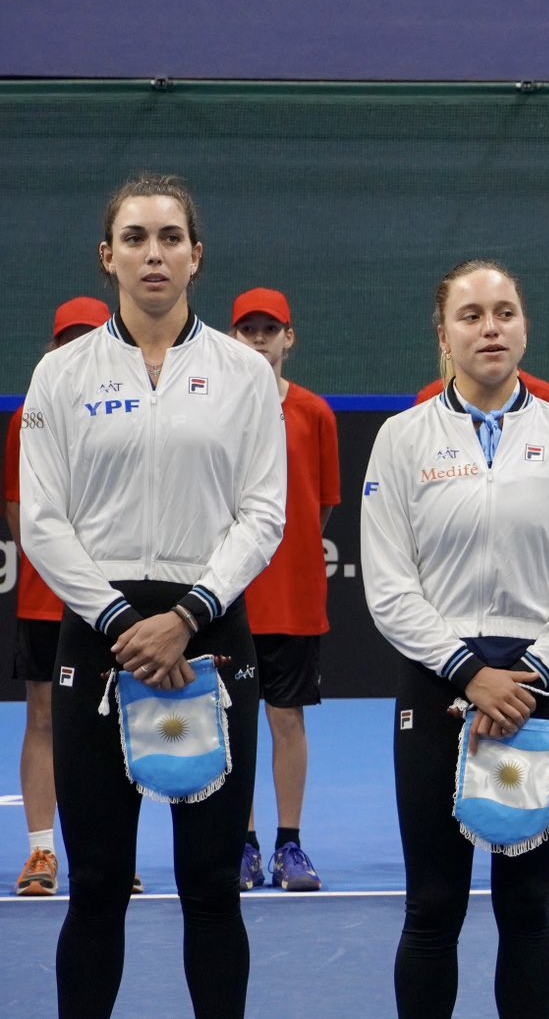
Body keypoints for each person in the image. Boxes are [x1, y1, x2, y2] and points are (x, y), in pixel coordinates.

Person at [19, 173, 286, 1017]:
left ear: (196, 256)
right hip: (100, 643)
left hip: (209, 639)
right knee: (97, 880)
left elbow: (265, 512)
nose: (154, 253)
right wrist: (127, 622)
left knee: (212, 882)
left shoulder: (244, 373)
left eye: (170, 237)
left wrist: (187, 617)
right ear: (108, 258)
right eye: (135, 238)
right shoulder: (60, 374)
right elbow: (44, 519)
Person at [361, 259, 549, 1018]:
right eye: (471, 315)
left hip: (541, 690)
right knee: (434, 905)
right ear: (442, 333)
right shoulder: (401, 440)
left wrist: (530, 675)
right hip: (439, 690)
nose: (491, 328)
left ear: (525, 327)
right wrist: (471, 673)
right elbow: (388, 585)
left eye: (504, 312)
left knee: (527, 906)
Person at [228, 288, 339, 893]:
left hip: (294, 599)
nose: (261, 339)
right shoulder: (217, 409)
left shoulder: (315, 414)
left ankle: (288, 846)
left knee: (286, 720)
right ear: (233, 337)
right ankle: (241, 845)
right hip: (231, 597)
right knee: (236, 725)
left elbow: (319, 508)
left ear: (289, 338)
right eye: (250, 330)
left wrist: (286, 559)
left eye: (271, 329)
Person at [8, 296, 112, 896]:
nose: (75, 348)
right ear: (53, 347)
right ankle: (42, 853)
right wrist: (65, 571)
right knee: (43, 717)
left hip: (115, 598)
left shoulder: (126, 410)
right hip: (48, 599)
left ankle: (112, 854)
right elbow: (20, 510)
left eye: (87, 337)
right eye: (66, 339)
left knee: (116, 723)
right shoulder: (30, 416)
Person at [414, 369, 549, 408]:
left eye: (506, 314)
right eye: (472, 317)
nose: (490, 328)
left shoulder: (545, 398)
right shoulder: (430, 400)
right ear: (444, 337)